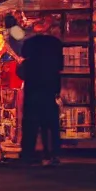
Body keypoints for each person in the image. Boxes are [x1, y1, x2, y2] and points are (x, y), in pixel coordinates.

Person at [18, 33, 64, 166]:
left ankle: (29, 154)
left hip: (32, 95)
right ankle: (52, 153)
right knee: (50, 126)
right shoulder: (53, 62)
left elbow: (21, 74)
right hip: (49, 95)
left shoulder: (29, 63)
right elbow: (58, 76)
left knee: (31, 126)